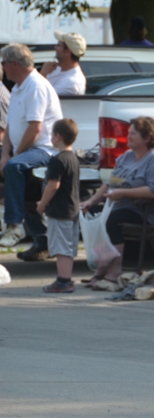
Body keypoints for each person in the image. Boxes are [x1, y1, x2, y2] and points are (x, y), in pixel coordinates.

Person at [79, 117, 154, 284]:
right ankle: (101, 269)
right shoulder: (126, 157)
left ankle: (115, 270)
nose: (128, 137)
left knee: (113, 220)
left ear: (147, 138)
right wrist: (91, 201)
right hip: (121, 207)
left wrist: (123, 193)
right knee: (94, 214)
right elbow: (110, 184)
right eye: (128, 133)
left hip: (149, 212)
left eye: (133, 134)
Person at [0, 43, 63, 252]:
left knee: (14, 166)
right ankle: (40, 240)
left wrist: (14, 156)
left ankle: (14, 225)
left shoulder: (36, 86)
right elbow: (10, 126)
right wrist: (5, 154)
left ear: (14, 64)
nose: (2, 67)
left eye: (3, 63)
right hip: (25, 150)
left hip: (44, 149)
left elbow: (35, 129)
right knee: (11, 165)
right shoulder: (18, 87)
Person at [36, 119, 80, 293]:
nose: (51, 138)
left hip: (59, 210)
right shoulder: (73, 158)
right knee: (68, 248)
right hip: (72, 209)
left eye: (52, 134)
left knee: (61, 248)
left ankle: (64, 281)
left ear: (58, 137)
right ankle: (66, 278)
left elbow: (53, 186)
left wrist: (42, 204)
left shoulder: (58, 160)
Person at [40, 31, 87, 96]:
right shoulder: (56, 69)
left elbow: (41, 96)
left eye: (58, 46)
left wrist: (43, 74)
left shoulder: (72, 82)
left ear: (67, 51)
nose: (55, 47)